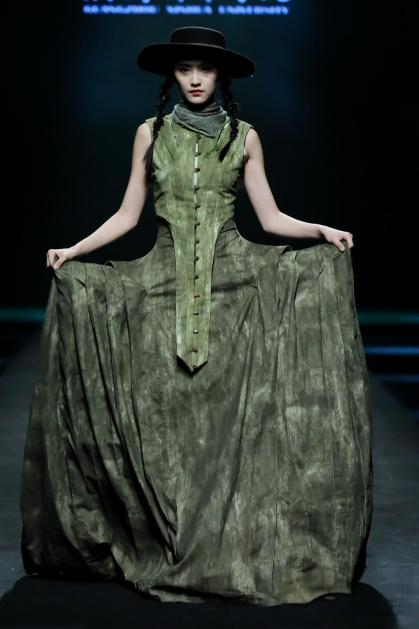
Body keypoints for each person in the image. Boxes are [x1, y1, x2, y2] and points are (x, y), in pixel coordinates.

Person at [20, 26, 373, 606]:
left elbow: (270, 216)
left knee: (229, 422)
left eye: (204, 69)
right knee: (167, 421)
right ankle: (167, 538)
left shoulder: (244, 137)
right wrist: (74, 249)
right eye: (184, 69)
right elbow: (129, 214)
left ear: (220, 75)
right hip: (159, 286)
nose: (194, 79)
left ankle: (231, 544)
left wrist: (320, 230)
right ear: (172, 75)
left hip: (235, 286)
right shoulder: (150, 133)